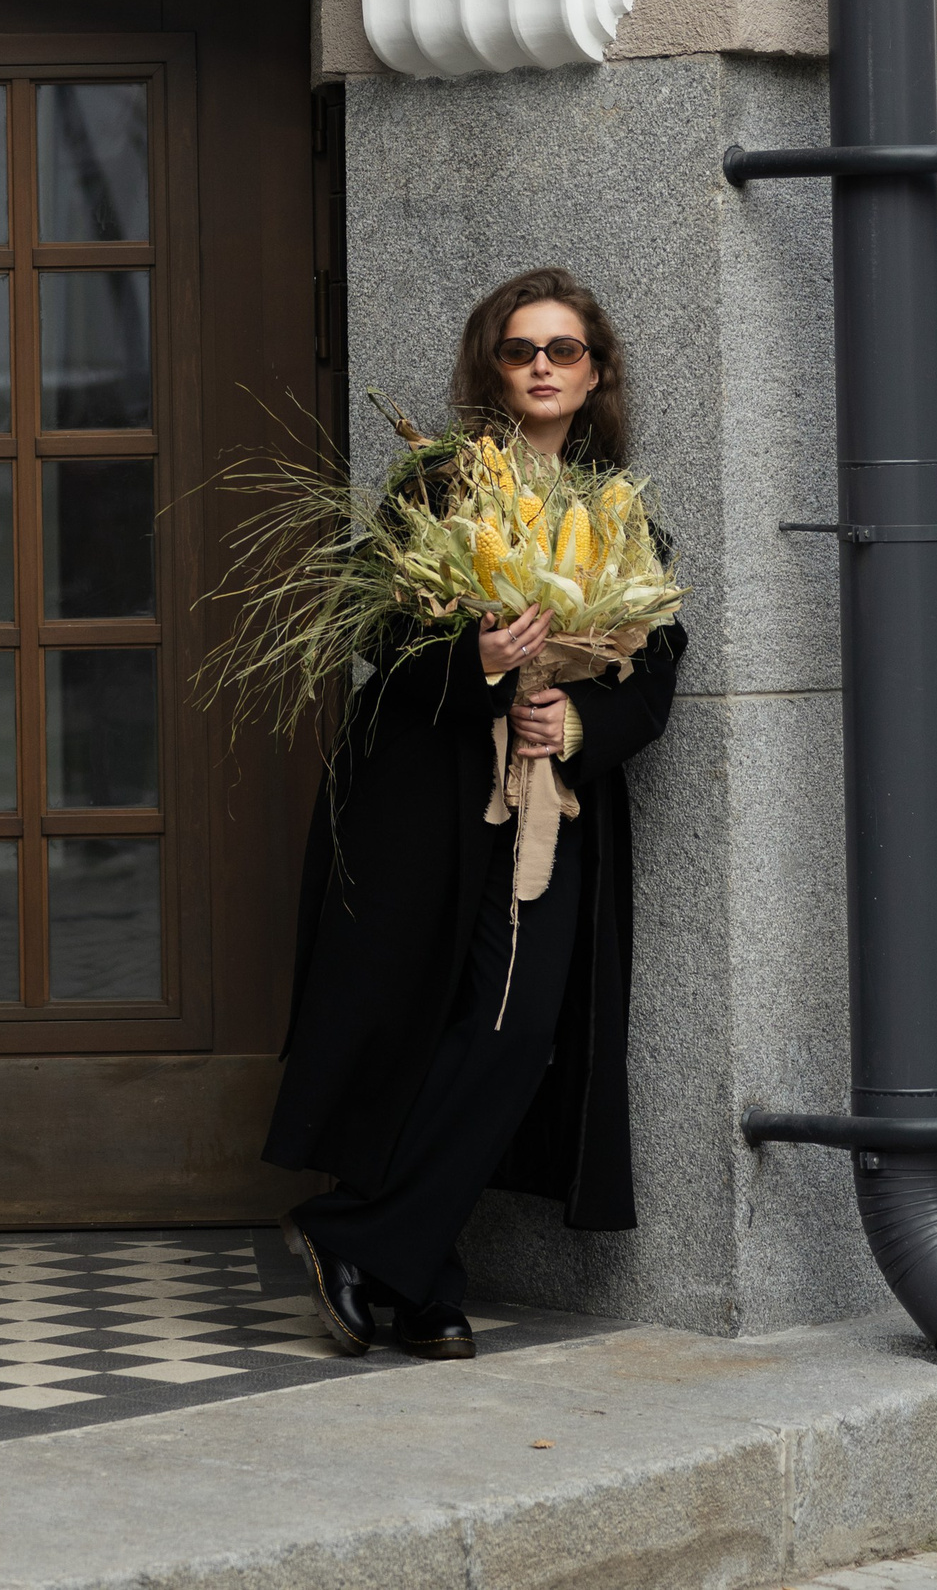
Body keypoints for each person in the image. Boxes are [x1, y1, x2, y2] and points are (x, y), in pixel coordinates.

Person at [265, 267, 684, 1360]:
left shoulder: (617, 509)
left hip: (549, 809)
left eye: (563, 349)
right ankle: (420, 1278)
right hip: (423, 804)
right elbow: (371, 629)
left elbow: (656, 661)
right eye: (519, 349)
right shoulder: (438, 482)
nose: (542, 365)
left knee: (515, 1030)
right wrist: (481, 659)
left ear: (595, 374)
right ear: (492, 369)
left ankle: (361, 1236)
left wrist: (576, 719)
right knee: (422, 1022)